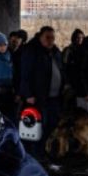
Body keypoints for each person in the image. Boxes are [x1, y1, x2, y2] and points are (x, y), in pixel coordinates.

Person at [19, 26, 64, 156]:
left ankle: (45, 151)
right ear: (40, 37)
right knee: (37, 126)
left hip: (55, 97)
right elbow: (25, 73)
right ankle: (34, 154)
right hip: (38, 97)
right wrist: (28, 94)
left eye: (53, 38)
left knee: (52, 125)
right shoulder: (31, 50)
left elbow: (61, 70)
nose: (51, 41)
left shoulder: (55, 51)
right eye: (47, 38)